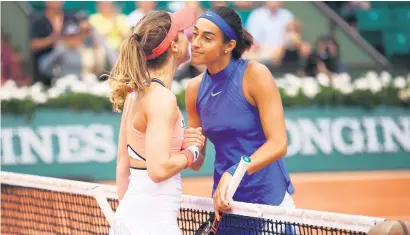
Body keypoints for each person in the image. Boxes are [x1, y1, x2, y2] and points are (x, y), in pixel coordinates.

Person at [184, 6, 295, 231]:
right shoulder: (194, 89)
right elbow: (197, 162)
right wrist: (190, 148)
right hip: (226, 203)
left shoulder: (256, 75)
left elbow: (279, 143)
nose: (195, 43)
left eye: (207, 38)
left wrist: (234, 172)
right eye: (195, 34)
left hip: (269, 201)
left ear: (229, 46)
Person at [106, 8, 205, 235]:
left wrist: (127, 221)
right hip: (153, 225)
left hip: (128, 219)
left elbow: (123, 166)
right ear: (174, 46)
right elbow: (159, 170)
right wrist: (191, 152)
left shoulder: (135, 94)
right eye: (182, 32)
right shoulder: (162, 98)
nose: (188, 35)